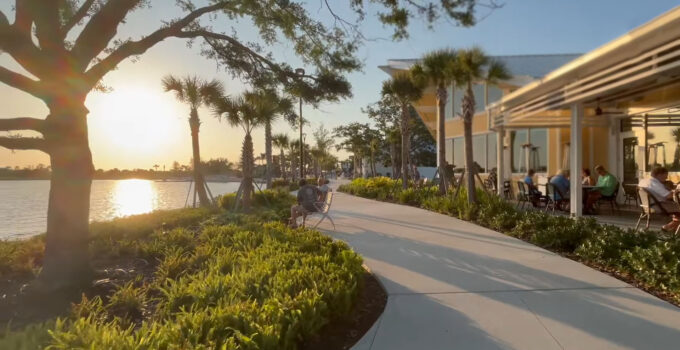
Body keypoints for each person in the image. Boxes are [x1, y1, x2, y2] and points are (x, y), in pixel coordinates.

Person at [639, 167, 680, 231]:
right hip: (659, 206)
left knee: (677, 209)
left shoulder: (644, 181)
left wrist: (667, 189)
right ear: (659, 175)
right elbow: (668, 196)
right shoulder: (655, 183)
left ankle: (671, 227)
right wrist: (676, 191)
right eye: (665, 176)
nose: (666, 178)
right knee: (678, 207)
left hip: (648, 206)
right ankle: (668, 227)